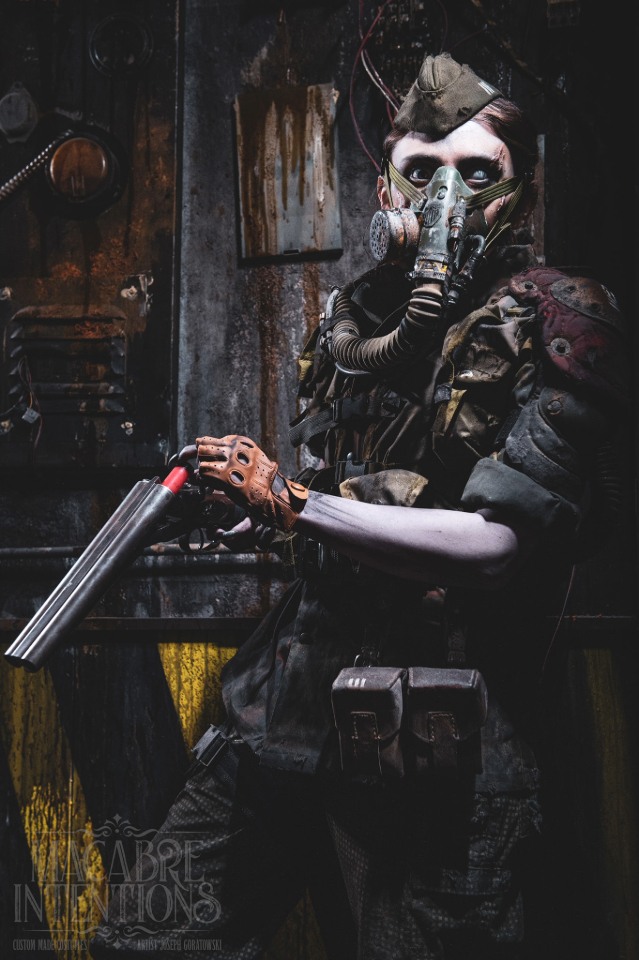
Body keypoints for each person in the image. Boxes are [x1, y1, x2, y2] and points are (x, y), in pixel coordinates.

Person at [90, 52, 627, 960]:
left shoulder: (560, 320)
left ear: (520, 194)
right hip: (289, 708)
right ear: (385, 190)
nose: (444, 194)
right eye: (421, 170)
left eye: (477, 173)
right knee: (146, 937)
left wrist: (291, 501)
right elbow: (339, 504)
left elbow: (496, 547)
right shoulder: (355, 321)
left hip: (443, 741)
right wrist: (248, 508)